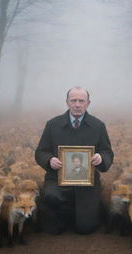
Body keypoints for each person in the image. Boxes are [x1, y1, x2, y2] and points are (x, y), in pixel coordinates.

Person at [35, 86, 114, 235]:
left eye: (81, 101)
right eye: (73, 100)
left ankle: (80, 214)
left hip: (87, 182)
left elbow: (107, 152)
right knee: (52, 204)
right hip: (57, 180)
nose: (77, 104)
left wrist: (101, 158)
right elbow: (40, 152)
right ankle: (63, 213)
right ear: (67, 102)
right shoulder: (52, 125)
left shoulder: (98, 126)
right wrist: (49, 160)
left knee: (85, 229)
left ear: (88, 103)